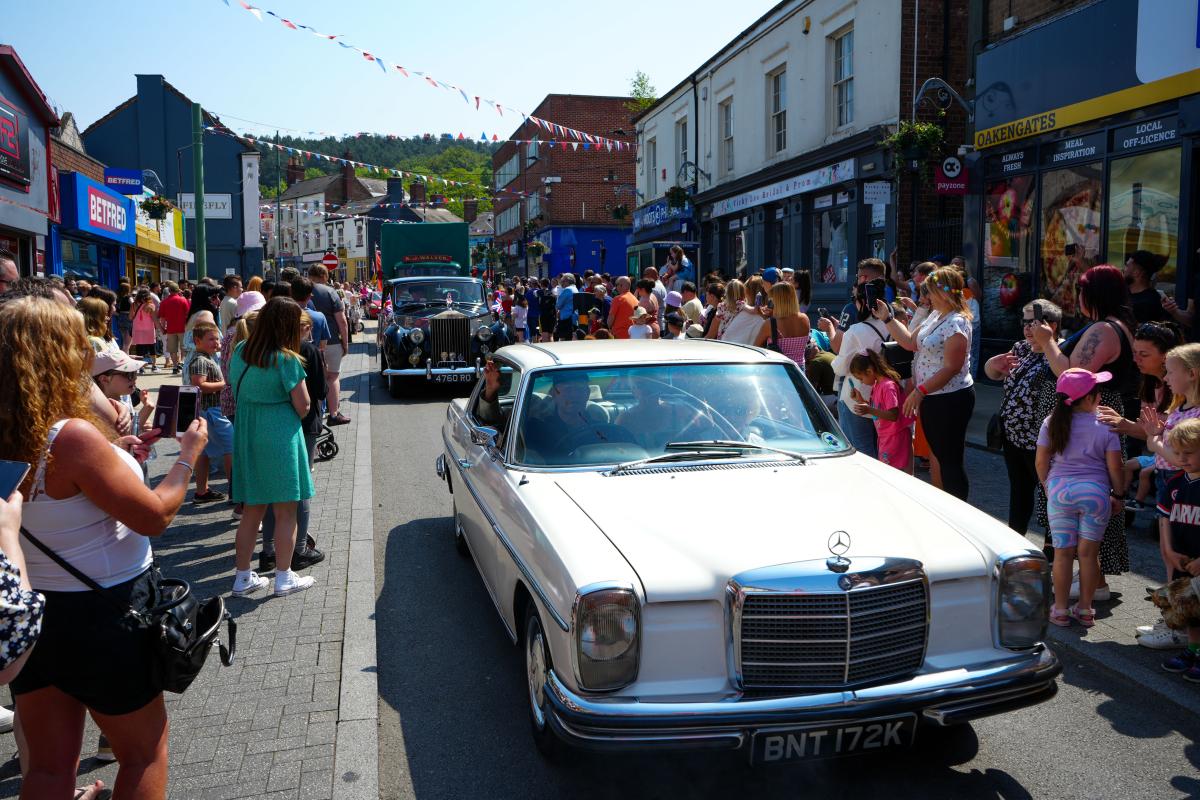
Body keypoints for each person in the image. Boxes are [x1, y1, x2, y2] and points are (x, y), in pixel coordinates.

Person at [2, 296, 206, 800]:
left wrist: (115, 455)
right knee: (142, 754)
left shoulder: (23, 434)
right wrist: (186, 460)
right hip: (105, 611)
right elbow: (154, 515)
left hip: (36, 616)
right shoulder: (69, 437)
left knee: (48, 770)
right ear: (55, 356)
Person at [1031, 264, 1137, 584]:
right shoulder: (1111, 325)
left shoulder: (1104, 329)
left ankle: (1092, 578)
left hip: (1086, 417)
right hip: (1087, 417)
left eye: (1081, 291)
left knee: (1077, 497)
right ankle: (1087, 575)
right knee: (1089, 495)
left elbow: (1072, 377)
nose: (1077, 297)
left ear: (1094, 294)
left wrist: (1048, 341)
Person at [227, 297, 316, 598]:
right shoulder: (286, 359)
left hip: (248, 432)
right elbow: (303, 406)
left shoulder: (241, 351)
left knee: (253, 510)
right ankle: (283, 576)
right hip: (279, 435)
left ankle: (242, 577)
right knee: (286, 511)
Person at [873, 267, 975, 500]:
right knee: (936, 455)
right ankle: (942, 503)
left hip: (950, 398)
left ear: (943, 292)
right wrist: (887, 318)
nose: (925, 296)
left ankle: (957, 511)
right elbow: (910, 342)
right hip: (932, 396)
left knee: (949, 459)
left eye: (929, 291)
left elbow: (952, 367)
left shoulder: (957, 322)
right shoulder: (936, 315)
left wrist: (920, 390)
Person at [1036, 368, 1124, 628]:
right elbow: (1115, 466)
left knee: (1062, 554)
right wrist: (1118, 494)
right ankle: (1085, 609)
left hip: (1061, 491)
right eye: (1098, 391)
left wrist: (1049, 487)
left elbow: (1041, 461)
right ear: (1089, 398)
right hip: (1096, 493)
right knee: (1088, 555)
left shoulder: (1051, 422)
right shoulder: (1105, 424)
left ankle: (1060, 609)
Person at [985, 300, 1064, 534]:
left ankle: (1053, 545)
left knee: (1048, 494)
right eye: (1025, 322)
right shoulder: (1020, 348)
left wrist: (1047, 341)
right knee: (1019, 491)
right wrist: (992, 364)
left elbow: (1064, 375)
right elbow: (994, 374)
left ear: (1052, 325)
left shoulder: (1060, 351)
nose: (1028, 328)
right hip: (1013, 436)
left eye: (1034, 322)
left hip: (1040, 440)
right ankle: (1014, 537)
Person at [259, 311, 326, 574]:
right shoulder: (305, 352)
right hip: (303, 424)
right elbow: (319, 390)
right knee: (300, 489)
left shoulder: (264, 354)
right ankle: (300, 548)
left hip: (271, 427)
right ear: (304, 328)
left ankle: (269, 550)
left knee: (269, 491)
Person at [1153, 418, 1200, 682]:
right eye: (1178, 452)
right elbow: (1164, 520)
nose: (1182, 458)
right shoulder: (1175, 484)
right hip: (1182, 558)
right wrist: (1169, 552)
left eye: (1189, 453)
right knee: (1190, 609)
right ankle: (1192, 650)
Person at [823, 278, 891, 458]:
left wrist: (833, 361)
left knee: (859, 447)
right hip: (884, 392)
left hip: (857, 393)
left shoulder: (855, 330)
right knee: (880, 445)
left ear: (862, 303)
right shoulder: (892, 325)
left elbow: (840, 367)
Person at [184, 322, 234, 504]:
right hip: (212, 410)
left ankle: (202, 491)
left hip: (209, 411)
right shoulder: (201, 360)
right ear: (198, 341)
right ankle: (235, 490)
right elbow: (199, 384)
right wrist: (225, 384)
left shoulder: (208, 358)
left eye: (217, 338)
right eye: (211, 339)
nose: (216, 342)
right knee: (231, 447)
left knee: (204, 452)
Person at [850, 349, 914, 472]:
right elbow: (880, 408)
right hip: (887, 436)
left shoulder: (887, 386)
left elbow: (893, 415)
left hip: (895, 437)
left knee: (893, 473)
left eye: (861, 378)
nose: (861, 382)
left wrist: (868, 409)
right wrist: (861, 401)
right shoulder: (878, 385)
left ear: (869, 371)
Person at [307, 265, 350, 426]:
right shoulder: (330, 292)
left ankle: (313, 414)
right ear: (325, 276)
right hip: (331, 341)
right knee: (332, 377)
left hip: (306, 343)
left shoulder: (301, 290)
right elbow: (342, 321)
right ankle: (333, 414)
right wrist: (345, 343)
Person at [756, 282, 811, 368]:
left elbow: (756, 348)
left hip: (779, 371)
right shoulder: (805, 319)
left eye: (772, 299)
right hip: (799, 370)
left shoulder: (770, 323)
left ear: (778, 301)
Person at [157, 283, 189, 373]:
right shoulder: (183, 300)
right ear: (178, 290)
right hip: (183, 328)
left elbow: (162, 318)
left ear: (169, 291)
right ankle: (182, 362)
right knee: (183, 347)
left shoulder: (164, 302)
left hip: (170, 329)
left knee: (172, 349)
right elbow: (188, 315)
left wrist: (163, 329)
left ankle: (175, 366)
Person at [130, 288, 160, 372]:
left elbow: (130, 317)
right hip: (149, 328)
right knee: (152, 347)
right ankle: (154, 366)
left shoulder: (133, 305)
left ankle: (141, 368)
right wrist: (160, 327)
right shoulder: (151, 305)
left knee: (139, 348)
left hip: (138, 328)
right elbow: (154, 318)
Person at [554, 273, 578, 341]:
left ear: (567, 281)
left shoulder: (567, 290)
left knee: (563, 341)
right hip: (574, 318)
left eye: (562, 281)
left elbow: (558, 305)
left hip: (566, 319)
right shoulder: (575, 288)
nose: (561, 283)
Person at [115, 281, 133, 352]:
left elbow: (115, 310)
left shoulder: (118, 298)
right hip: (128, 318)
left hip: (121, 318)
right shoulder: (129, 297)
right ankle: (125, 355)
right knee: (128, 341)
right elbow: (133, 304)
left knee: (124, 339)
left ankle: (126, 355)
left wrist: (120, 314)